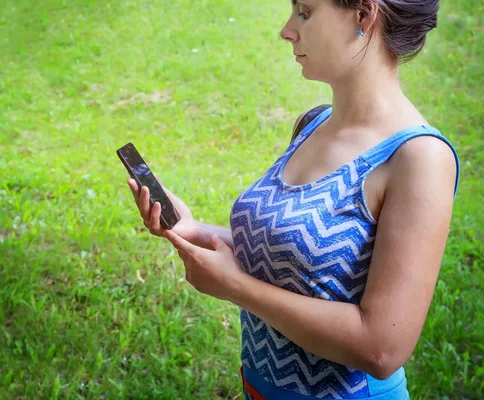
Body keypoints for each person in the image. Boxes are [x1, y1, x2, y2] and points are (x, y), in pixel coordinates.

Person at [126, 0, 460, 398]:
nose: (287, 29)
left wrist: (235, 288)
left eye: (304, 11)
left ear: (364, 15)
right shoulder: (313, 122)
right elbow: (294, 261)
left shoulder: (419, 158)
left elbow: (381, 348)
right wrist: (196, 230)